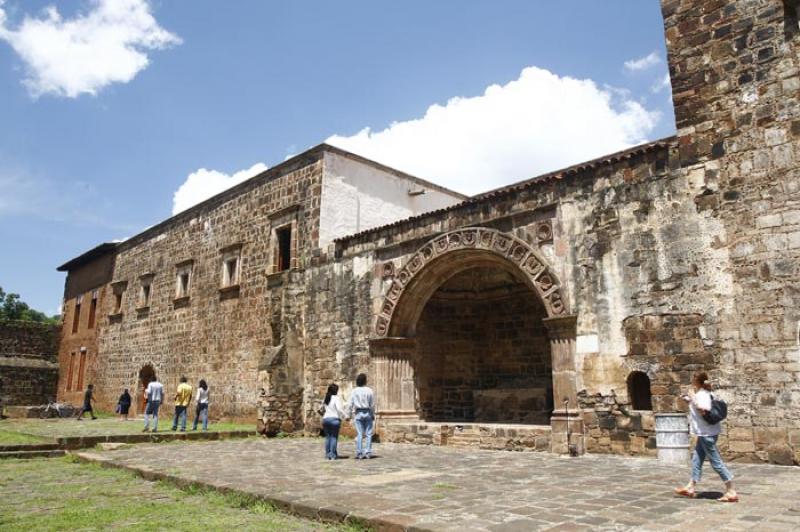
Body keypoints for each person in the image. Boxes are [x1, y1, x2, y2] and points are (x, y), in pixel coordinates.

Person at [675, 371, 738, 502]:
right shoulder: (706, 394)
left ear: (697, 382)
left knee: (716, 462)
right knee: (697, 459)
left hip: (706, 434)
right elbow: (698, 406)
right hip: (705, 433)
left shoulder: (701, 395)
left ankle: (731, 490)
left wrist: (692, 397)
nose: (692, 384)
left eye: (693, 381)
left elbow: (702, 409)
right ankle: (690, 487)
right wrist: (689, 399)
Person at [347, 373, 376, 459]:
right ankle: (368, 452)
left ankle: (359, 452)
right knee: (368, 434)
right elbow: (372, 404)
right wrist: (372, 414)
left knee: (359, 433)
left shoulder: (354, 391)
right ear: (365, 381)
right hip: (367, 412)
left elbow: (350, 403)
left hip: (358, 412)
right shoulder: (369, 390)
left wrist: (348, 414)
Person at [321, 383, 347, 460]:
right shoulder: (336, 398)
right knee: (334, 437)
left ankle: (328, 454)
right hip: (334, 419)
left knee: (328, 437)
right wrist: (345, 416)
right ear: (336, 391)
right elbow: (339, 409)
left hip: (325, 419)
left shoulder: (326, 398)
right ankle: (332, 454)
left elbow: (320, 408)